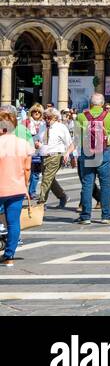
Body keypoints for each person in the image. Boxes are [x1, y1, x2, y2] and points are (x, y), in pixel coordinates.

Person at [73, 93, 110, 225]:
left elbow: (76, 136)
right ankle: (106, 215)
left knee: (87, 184)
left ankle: (86, 216)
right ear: (103, 104)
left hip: (87, 152)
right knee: (105, 185)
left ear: (90, 104)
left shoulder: (81, 116)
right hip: (103, 152)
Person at [0, 106, 34, 267]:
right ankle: (9, 256)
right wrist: (26, 186)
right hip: (17, 188)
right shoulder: (23, 144)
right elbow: (27, 169)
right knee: (13, 223)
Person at [35, 108, 71, 207]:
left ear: (55, 118)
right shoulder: (42, 126)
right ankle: (62, 196)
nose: (46, 119)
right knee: (50, 179)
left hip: (55, 156)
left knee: (46, 179)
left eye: (49, 117)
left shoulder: (61, 127)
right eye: (45, 117)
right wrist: (37, 144)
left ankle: (41, 202)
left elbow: (69, 142)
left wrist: (69, 154)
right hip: (43, 156)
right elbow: (39, 140)